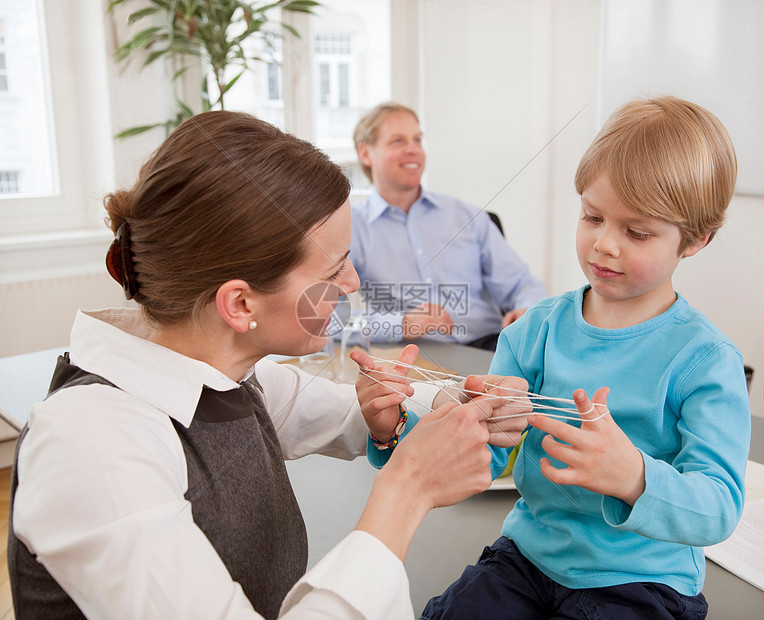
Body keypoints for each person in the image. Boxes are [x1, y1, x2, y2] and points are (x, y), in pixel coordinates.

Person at [7, 111, 533, 620]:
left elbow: (346, 408)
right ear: (239, 305)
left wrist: (457, 400)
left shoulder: (222, 373)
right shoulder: (90, 445)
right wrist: (405, 491)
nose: (352, 283)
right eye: (333, 268)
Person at [359, 96, 751, 619]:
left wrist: (632, 475)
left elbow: (718, 509)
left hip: (642, 584)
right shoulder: (534, 332)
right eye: (592, 216)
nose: (604, 244)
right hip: (526, 562)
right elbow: (484, 453)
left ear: (696, 239)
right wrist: (395, 430)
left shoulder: (705, 359)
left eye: (636, 232)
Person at [350, 102, 548, 351]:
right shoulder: (351, 226)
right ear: (365, 153)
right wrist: (399, 323)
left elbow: (521, 284)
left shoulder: (467, 216)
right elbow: (328, 320)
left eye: (417, 140)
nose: (413, 149)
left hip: (488, 347)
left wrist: (527, 310)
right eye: (398, 141)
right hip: (412, 355)